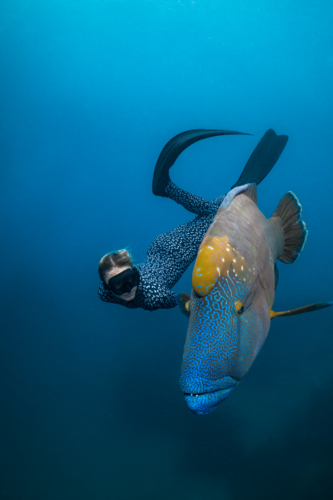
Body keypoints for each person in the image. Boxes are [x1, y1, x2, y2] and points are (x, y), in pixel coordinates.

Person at [98, 128, 288, 312]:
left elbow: (178, 300)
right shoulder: (105, 294)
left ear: (134, 271)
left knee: (219, 212)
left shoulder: (152, 296)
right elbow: (103, 292)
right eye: (118, 285)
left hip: (177, 251)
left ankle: (168, 188)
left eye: (130, 279)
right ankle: (170, 188)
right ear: (107, 288)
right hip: (158, 248)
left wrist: (197, 305)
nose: (128, 288)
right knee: (213, 211)